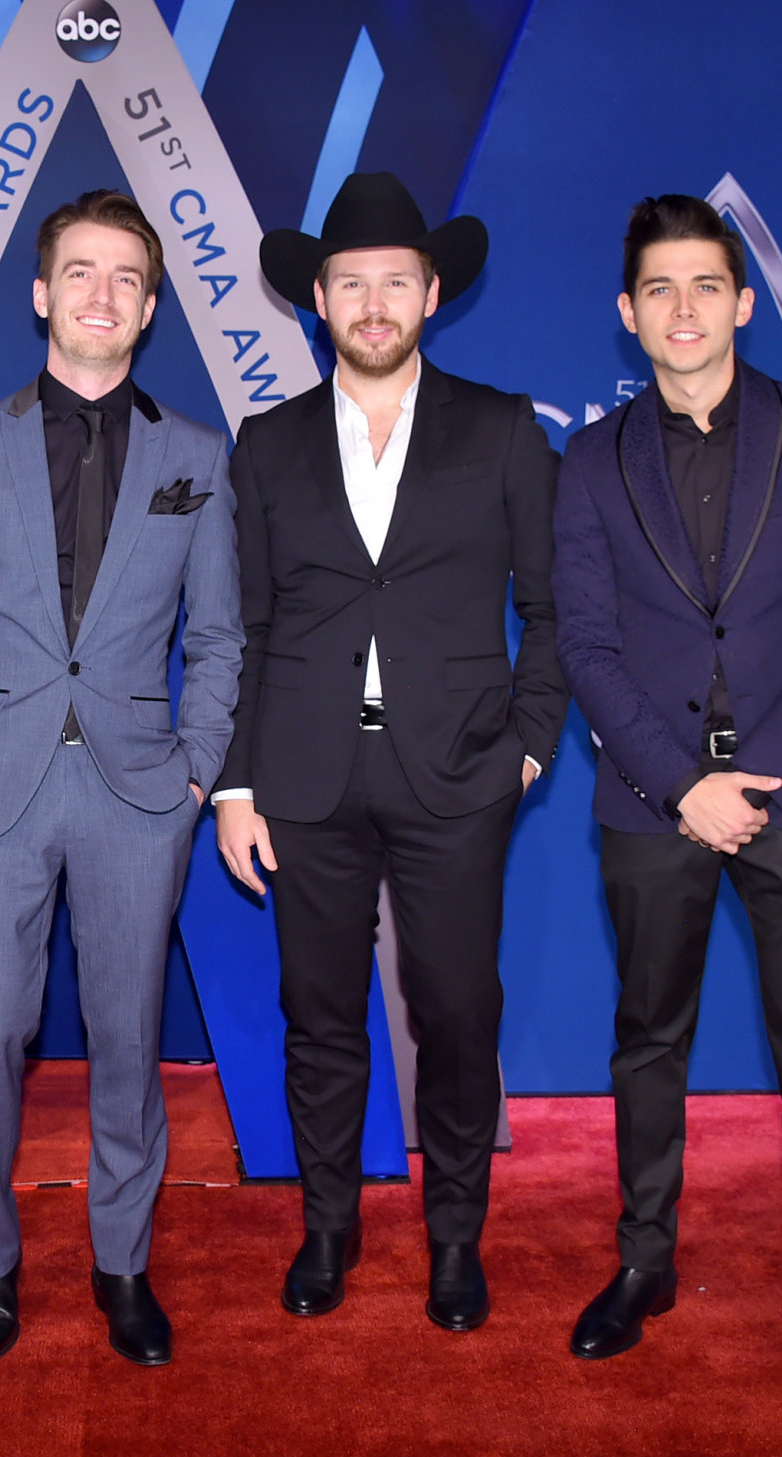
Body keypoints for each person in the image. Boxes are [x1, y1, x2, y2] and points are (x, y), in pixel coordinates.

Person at [214, 172, 567, 1332]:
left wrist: (526, 745)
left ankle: (454, 1237)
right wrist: (236, 782)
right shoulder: (264, 446)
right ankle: (328, 1228)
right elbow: (250, 627)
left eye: (395, 284)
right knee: (317, 1013)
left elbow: (553, 610)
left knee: (456, 1009)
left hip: (459, 772)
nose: (373, 303)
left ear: (429, 296)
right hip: (305, 775)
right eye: (351, 283)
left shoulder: (503, 428)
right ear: (318, 298)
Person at [550, 194, 782, 1420]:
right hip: (650, 804)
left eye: (705, 286)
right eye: (658, 290)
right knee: (648, 1044)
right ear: (626, 313)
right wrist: (678, 783)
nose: (681, 310)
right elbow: (583, 641)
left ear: (743, 303)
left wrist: (754, 782)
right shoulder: (589, 460)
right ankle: (642, 1262)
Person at [0, 189, 241, 1366]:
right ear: (40, 294)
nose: (101, 294)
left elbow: (222, 638)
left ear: (148, 307)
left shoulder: (195, 457)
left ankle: (122, 1262)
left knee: (127, 1035)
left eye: (125, 279)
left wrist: (196, 772)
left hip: (140, 795)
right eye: (79, 273)